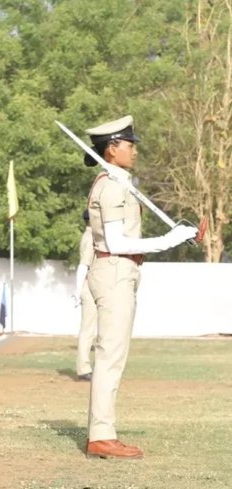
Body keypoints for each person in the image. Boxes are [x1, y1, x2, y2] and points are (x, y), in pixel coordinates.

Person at [82, 115, 196, 459]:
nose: (134, 151)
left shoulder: (118, 182)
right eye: (129, 145)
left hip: (120, 271)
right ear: (112, 148)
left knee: (114, 355)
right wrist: (168, 240)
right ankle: (101, 435)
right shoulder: (113, 186)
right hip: (115, 268)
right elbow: (117, 242)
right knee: (110, 356)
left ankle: (103, 431)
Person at [74, 210, 96, 382]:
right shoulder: (90, 238)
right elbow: (83, 266)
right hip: (89, 286)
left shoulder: (91, 236)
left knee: (92, 328)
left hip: (94, 284)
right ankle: (83, 368)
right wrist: (77, 289)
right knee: (88, 328)